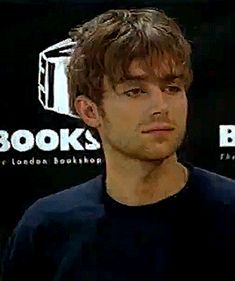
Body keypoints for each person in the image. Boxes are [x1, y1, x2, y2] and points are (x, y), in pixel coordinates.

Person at [2, 7, 235, 281]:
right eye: (135, 91)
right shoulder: (46, 227)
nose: (161, 106)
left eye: (172, 88)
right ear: (90, 111)